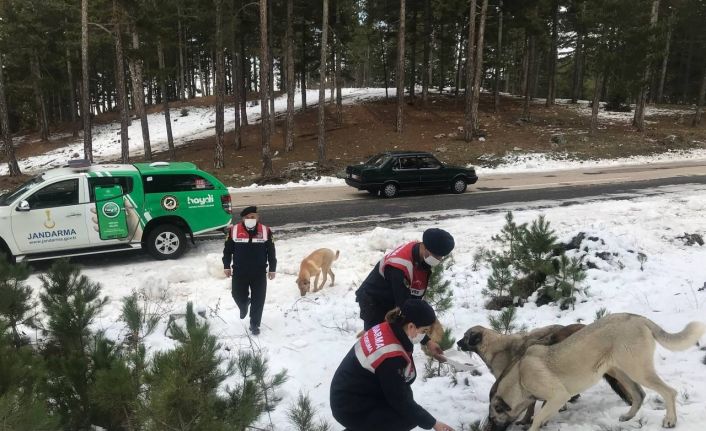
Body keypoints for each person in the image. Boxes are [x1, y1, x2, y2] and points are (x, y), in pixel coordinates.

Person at [330, 299, 456, 431]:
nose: (425, 334)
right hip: (349, 406)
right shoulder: (391, 357)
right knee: (406, 419)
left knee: (406, 407)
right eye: (424, 330)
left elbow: (398, 392)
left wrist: (428, 342)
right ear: (412, 327)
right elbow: (399, 400)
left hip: (352, 391)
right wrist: (434, 423)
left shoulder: (391, 326)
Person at [355, 228, 455, 361]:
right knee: (377, 343)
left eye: (441, 257)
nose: (438, 260)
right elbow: (406, 310)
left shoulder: (421, 259)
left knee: (395, 339)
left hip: (392, 297)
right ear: (423, 246)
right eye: (436, 256)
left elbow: (413, 308)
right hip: (373, 300)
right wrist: (425, 340)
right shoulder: (399, 267)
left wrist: (428, 342)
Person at [223, 206, 276, 335]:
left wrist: (272, 268)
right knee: (236, 294)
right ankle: (244, 304)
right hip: (240, 271)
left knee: (259, 299)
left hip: (259, 271)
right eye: (247, 217)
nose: (250, 219)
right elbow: (227, 250)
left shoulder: (266, 231)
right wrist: (226, 265)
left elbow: (271, 250)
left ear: (257, 217)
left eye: (252, 217)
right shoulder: (233, 231)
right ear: (242, 219)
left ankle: (255, 324)